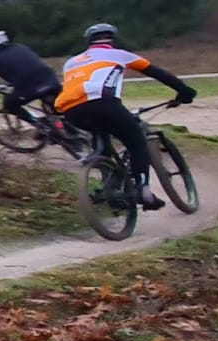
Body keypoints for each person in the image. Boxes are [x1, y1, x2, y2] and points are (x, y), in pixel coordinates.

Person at [56, 23, 199, 210]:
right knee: (136, 140)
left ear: (89, 41)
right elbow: (156, 72)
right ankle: (144, 191)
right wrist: (184, 91)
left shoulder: (71, 62)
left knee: (101, 139)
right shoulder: (120, 55)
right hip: (105, 104)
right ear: (112, 39)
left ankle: (110, 186)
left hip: (71, 111)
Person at [0, 31, 63, 131]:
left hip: (30, 87)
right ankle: (68, 128)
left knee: (9, 105)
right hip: (51, 80)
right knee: (59, 109)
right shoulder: (19, 47)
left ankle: (40, 125)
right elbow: (27, 67)